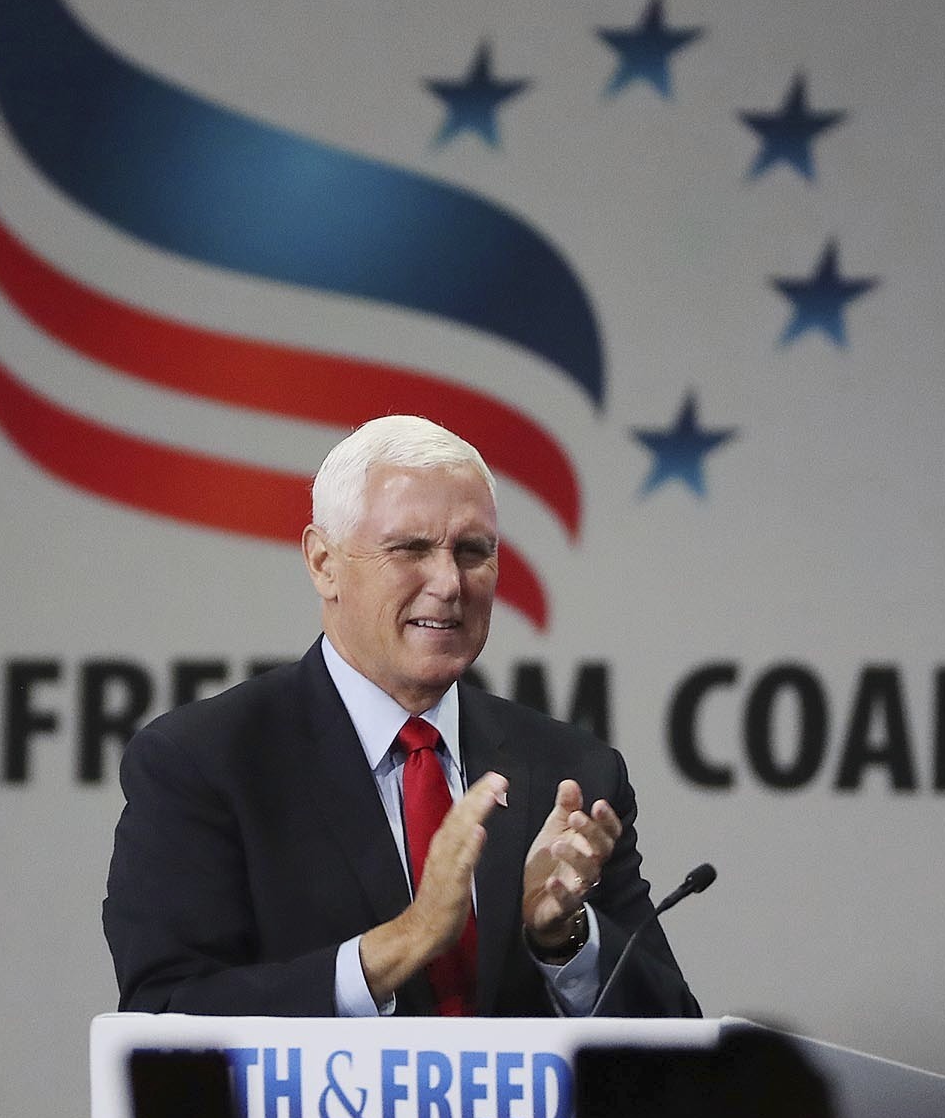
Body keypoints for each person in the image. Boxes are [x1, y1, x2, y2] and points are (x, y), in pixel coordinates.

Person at [103, 415, 700, 1018]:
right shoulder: (208, 762)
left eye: (473, 552)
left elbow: (676, 1043)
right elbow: (166, 1016)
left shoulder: (571, 775)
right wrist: (404, 942)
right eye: (410, 548)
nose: (448, 583)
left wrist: (562, 941)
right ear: (323, 562)